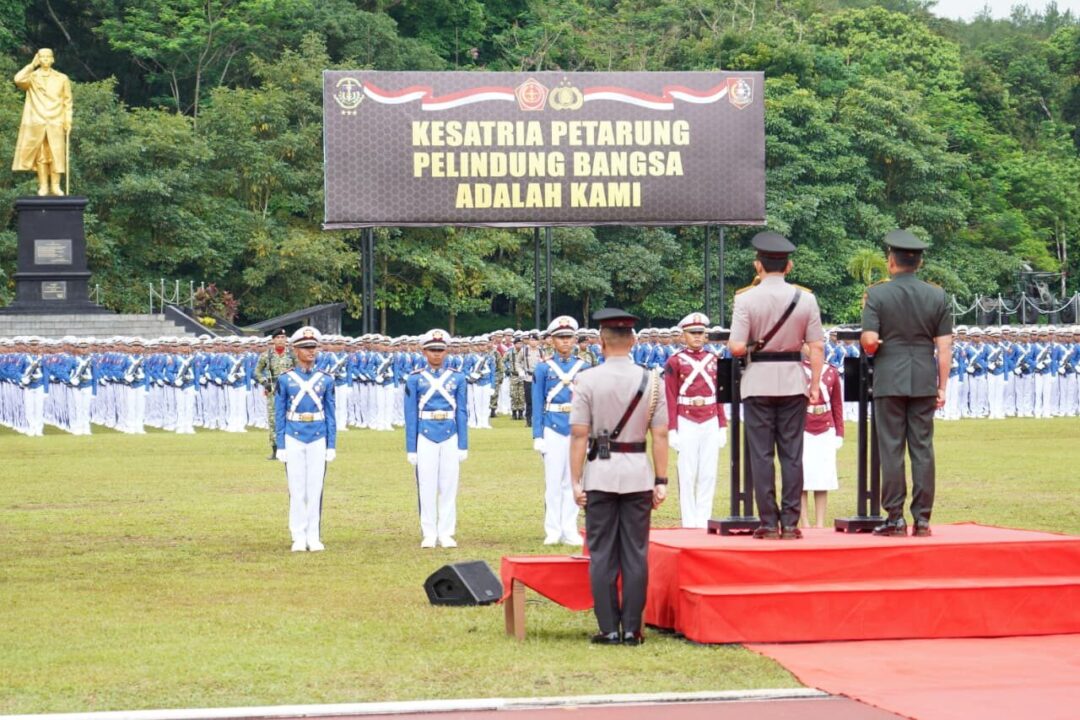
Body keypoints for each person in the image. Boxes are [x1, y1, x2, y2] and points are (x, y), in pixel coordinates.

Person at [570, 308, 668, 645]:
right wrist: (661, 480)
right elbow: (660, 434)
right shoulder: (652, 380)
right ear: (633, 341)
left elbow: (579, 435)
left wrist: (576, 481)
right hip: (638, 473)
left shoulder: (587, 379)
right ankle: (633, 629)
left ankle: (609, 628)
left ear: (601, 342)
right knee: (635, 553)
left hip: (600, 474)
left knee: (602, 554)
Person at [728, 231, 824, 540]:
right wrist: (815, 384)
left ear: (758, 265)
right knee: (792, 454)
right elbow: (817, 347)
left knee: (761, 455)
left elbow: (736, 347)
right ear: (789, 266)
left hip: (758, 382)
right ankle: (791, 523)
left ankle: (769, 523)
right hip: (794, 381)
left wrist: (753, 344)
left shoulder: (745, 299)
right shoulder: (806, 299)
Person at [861, 229, 952, 538]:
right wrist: (942, 386)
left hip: (889, 377)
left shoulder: (877, 294)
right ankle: (922, 519)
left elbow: (870, 340)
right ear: (919, 263)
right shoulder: (937, 295)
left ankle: (895, 518)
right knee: (922, 449)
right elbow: (944, 348)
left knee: (891, 448)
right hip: (924, 377)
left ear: (891, 261)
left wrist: (870, 345)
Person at [404, 329, 468, 548]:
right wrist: (411, 448)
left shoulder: (457, 377)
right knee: (426, 485)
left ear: (446, 351)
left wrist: (463, 444)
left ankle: (446, 532)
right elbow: (410, 414)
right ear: (424, 351)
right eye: (432, 350)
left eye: (440, 350)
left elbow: (462, 412)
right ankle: (429, 532)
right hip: (425, 433)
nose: (437, 354)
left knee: (449, 485)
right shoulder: (415, 378)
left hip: (450, 433)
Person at [275, 326, 337, 552]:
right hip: (294, 435)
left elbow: (331, 414)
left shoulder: (326, 380)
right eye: (306, 347)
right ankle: (298, 535)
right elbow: (279, 413)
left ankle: (314, 534)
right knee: (297, 488)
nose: (311, 351)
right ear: (295, 350)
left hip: (318, 435)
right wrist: (280, 444)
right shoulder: (285, 379)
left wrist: (331, 444)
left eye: (313, 347)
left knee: (315, 488)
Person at [664, 312, 728, 528]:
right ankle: (689, 521)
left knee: (708, 472)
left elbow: (721, 395)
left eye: (701, 332)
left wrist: (722, 425)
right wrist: (672, 428)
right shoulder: (675, 361)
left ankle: (703, 518)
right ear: (684, 335)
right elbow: (670, 396)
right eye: (693, 333)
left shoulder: (715, 359)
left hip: (710, 417)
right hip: (686, 418)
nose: (698, 336)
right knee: (687, 472)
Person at [532, 316, 587, 545]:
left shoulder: (584, 367)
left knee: (574, 480)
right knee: (553, 481)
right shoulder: (543, 368)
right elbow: (537, 403)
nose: (565, 341)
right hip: (552, 426)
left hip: (577, 428)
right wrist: (538, 435)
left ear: (575, 340)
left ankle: (570, 528)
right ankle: (553, 529)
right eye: (560, 337)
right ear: (552, 340)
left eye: (569, 337)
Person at [12, 49, 72, 196]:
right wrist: (31, 65)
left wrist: (68, 119)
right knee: (41, 155)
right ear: (38, 59)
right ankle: (43, 186)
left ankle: (56, 186)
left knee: (56, 154)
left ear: (52, 59)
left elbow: (68, 101)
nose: (45, 59)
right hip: (37, 121)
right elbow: (18, 79)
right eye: (42, 57)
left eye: (47, 57)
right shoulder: (32, 77)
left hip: (56, 120)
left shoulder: (62, 78)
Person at [801, 332, 844, 529]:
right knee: (801, 478)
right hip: (803, 426)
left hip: (825, 426)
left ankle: (819, 523)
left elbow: (837, 405)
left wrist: (839, 432)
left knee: (822, 477)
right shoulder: (797, 370)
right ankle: (805, 522)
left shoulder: (831, 372)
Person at [255, 328, 296, 459]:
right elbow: (257, 371)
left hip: (290, 391)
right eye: (278, 338)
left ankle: (291, 447)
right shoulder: (266, 355)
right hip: (274, 391)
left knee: (291, 418)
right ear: (273, 340)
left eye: (283, 337)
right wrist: (264, 382)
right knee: (274, 419)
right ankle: (275, 449)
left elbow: (299, 369)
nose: (280, 340)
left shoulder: (292, 354)